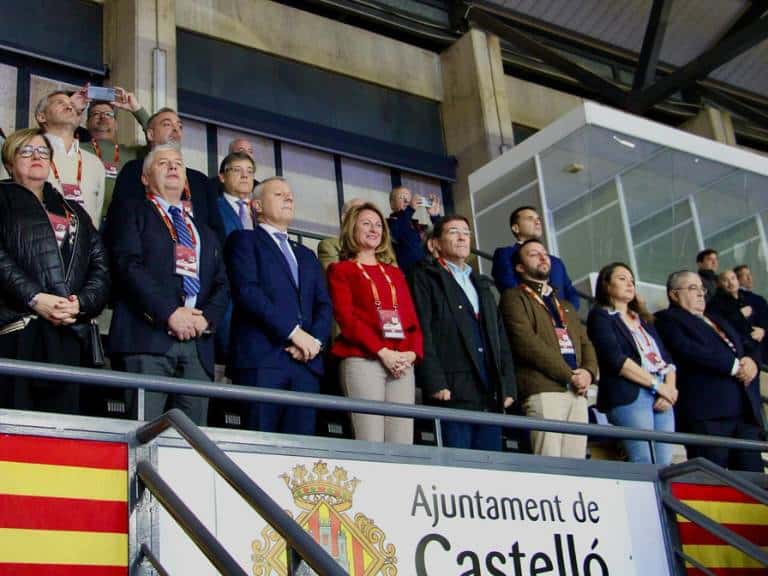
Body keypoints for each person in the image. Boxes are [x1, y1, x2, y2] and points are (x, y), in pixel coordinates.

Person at [108, 145, 228, 425]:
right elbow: (128, 266)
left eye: (178, 163)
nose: (173, 167)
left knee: (194, 448)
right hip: (146, 338)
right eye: (163, 163)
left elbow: (222, 282)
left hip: (197, 345)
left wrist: (206, 319)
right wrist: (170, 312)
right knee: (143, 438)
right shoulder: (131, 212)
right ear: (145, 178)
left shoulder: (202, 229)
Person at [0, 128, 109, 413]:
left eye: (43, 152)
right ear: (10, 162)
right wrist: (36, 297)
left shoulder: (72, 210)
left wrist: (80, 303)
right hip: (17, 331)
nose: (36, 156)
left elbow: (100, 265)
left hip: (68, 331)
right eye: (26, 151)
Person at [226, 177, 332, 435]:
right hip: (263, 360)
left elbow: (324, 304)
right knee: (262, 449)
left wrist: (314, 342)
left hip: (306, 364)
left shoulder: (306, 254)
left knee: (300, 457)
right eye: (279, 194)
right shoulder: (243, 241)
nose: (289, 198)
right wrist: (295, 334)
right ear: (257, 206)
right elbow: (249, 293)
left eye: (290, 195)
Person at [411, 215, 516, 450]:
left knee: (491, 468)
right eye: (453, 231)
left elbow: (500, 337)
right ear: (434, 244)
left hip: (489, 392)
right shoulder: (425, 277)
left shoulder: (481, 282)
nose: (462, 237)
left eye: (466, 232)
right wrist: (434, 381)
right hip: (450, 391)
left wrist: (507, 383)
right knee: (458, 469)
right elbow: (422, 329)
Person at [328, 202, 422, 444]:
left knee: (403, 445)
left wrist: (411, 354)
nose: (374, 229)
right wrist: (382, 352)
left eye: (379, 225)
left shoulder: (394, 273)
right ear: (352, 229)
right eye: (366, 224)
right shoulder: (341, 270)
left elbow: (412, 320)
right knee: (371, 441)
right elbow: (347, 319)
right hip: (364, 359)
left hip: (402, 363)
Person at [655, 271, 765, 472]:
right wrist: (734, 366)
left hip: (744, 412)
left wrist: (752, 362)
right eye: (692, 288)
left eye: (702, 289)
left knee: (754, 483)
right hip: (708, 416)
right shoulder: (667, 319)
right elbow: (688, 349)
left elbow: (747, 342)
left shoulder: (717, 319)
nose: (700, 294)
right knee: (712, 482)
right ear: (673, 294)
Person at [500, 239, 597, 458]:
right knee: (550, 465)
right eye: (534, 254)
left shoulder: (565, 305)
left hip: (577, 391)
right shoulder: (513, 298)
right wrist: (569, 374)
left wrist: (588, 373)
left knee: (577, 467)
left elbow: (586, 344)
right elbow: (526, 343)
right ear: (520, 267)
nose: (543, 257)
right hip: (543, 389)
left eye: (545, 253)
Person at [587, 263, 677, 464]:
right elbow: (615, 359)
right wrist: (658, 386)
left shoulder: (643, 319)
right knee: (644, 460)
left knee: (665, 463)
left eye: (631, 280)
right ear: (607, 286)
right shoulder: (600, 316)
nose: (629, 284)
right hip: (630, 394)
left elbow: (667, 358)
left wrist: (670, 388)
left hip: (662, 392)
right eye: (621, 279)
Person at [107, 107, 225, 244]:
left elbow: (217, 233)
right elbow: (119, 221)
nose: (176, 129)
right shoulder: (134, 170)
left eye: (179, 126)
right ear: (150, 134)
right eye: (167, 124)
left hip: (198, 260)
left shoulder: (200, 180)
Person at [35, 90, 105, 228]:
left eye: (72, 105)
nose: (69, 106)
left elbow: (95, 219)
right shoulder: (27, 154)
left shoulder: (95, 163)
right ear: (41, 117)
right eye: (60, 103)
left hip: (84, 247)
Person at [81, 89, 150, 222]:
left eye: (108, 114)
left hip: (123, 224)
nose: (103, 117)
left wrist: (137, 110)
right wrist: (73, 106)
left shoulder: (133, 154)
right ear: (87, 123)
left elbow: (161, 142)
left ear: (116, 125)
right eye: (96, 114)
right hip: (87, 222)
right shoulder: (76, 149)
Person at [492, 206, 580, 309]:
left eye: (538, 219)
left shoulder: (556, 262)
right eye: (530, 218)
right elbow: (509, 287)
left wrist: (565, 313)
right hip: (529, 318)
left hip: (562, 321)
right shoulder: (506, 254)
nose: (537, 222)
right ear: (516, 228)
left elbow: (571, 294)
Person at [707, 269, 765, 361]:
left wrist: (763, 331)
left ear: (737, 281)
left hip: (758, 347)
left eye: (733, 278)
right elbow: (721, 326)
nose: (731, 283)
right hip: (740, 353)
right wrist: (740, 314)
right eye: (725, 280)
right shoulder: (715, 304)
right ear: (718, 284)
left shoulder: (749, 298)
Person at [387, 186, 441, 274]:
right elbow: (396, 232)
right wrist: (410, 209)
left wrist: (435, 217)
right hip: (406, 275)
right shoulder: (388, 223)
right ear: (392, 204)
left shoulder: (418, 225)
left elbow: (440, 238)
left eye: (409, 199)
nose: (406, 201)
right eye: (401, 197)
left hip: (425, 273)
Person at [317, 198, 364, 272]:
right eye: (358, 212)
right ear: (344, 218)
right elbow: (334, 277)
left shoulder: (380, 249)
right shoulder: (330, 246)